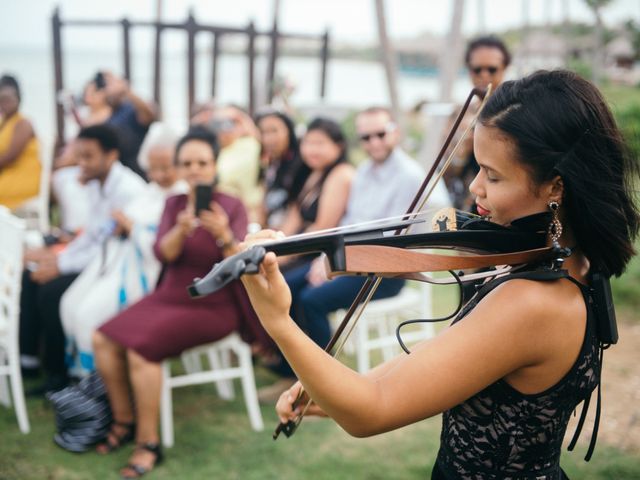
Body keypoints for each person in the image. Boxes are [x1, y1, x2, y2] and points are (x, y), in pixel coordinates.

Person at [240, 70, 639, 479]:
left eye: (494, 175)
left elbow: (370, 411)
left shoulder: (533, 302)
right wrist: (330, 388)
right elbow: (444, 360)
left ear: (555, 187)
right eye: (478, 168)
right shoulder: (577, 263)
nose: (476, 189)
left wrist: (279, 323)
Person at [92, 128, 272, 479]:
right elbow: (164, 253)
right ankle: (124, 420)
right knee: (102, 338)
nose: (194, 170)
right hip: (169, 295)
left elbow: (241, 266)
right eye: (187, 163)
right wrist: (180, 229)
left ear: (214, 165)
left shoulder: (232, 206)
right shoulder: (174, 205)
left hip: (214, 303)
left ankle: (148, 443)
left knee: (141, 351)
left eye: (202, 162)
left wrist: (222, 234)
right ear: (178, 167)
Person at [259, 107, 450, 400]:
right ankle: (293, 374)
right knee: (289, 288)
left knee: (312, 301)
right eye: (366, 137)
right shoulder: (363, 172)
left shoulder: (410, 176)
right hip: (353, 260)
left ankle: (321, 389)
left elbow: (390, 240)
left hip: (387, 270)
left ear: (395, 132)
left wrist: (340, 265)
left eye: (380, 134)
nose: (374, 142)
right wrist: (328, 260)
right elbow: (351, 225)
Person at [19, 124, 145, 393]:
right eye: (78, 155)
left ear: (111, 155)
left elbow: (105, 244)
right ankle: (29, 361)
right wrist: (55, 261)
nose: (80, 163)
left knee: (51, 292)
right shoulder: (97, 183)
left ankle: (60, 375)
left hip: (117, 270)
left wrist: (60, 265)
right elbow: (90, 235)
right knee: (32, 275)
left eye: (88, 156)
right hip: (97, 260)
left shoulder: (128, 190)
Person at [60, 125, 187, 377]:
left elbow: (161, 248)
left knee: (88, 315)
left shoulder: (181, 195)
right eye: (153, 168)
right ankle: (87, 382)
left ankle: (101, 387)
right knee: (69, 304)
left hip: (149, 273)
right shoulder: (151, 191)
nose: (159, 175)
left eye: (166, 167)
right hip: (118, 262)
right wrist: (122, 224)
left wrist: (131, 227)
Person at [443, 35, 511, 211]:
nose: (484, 76)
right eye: (477, 70)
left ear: (504, 69)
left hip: (502, 206)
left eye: (492, 69)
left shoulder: (515, 113)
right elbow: (445, 176)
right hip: (466, 206)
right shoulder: (460, 113)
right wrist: (461, 150)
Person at [278, 117, 354, 237]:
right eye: (307, 142)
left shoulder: (342, 174)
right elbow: (294, 217)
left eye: (319, 143)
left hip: (320, 251)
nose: (311, 150)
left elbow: (323, 229)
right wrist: (274, 245)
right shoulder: (313, 172)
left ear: (339, 146)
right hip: (303, 246)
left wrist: (284, 254)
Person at [255, 109, 310, 229]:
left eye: (274, 131)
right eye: (263, 132)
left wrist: (279, 241)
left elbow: (296, 212)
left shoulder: (303, 165)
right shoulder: (272, 165)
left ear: (289, 131)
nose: (268, 138)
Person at [210, 105, 263, 223]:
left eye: (229, 123)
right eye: (218, 125)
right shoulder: (214, 151)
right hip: (222, 213)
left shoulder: (250, 145)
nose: (223, 130)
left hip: (248, 213)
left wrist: (239, 116)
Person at [103, 71, 157, 179]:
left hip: (136, 171)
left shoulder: (130, 108)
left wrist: (126, 90)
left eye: (110, 84)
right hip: (117, 173)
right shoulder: (110, 114)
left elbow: (150, 115)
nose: (107, 89)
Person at [0, 74, 41, 210]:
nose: (4, 103)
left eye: (8, 99)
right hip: (8, 176)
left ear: (18, 98)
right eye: (1, 99)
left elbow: (10, 157)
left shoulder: (23, 123)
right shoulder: (5, 123)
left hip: (22, 178)